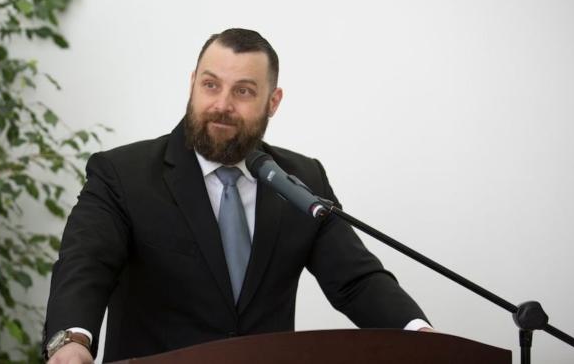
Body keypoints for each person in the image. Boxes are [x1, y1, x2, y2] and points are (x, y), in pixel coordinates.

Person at [43, 28, 431, 364]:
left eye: (243, 91)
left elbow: (356, 280)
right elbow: (86, 263)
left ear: (272, 102)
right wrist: (71, 341)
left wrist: (421, 337)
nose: (222, 105)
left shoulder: (300, 180)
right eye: (210, 85)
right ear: (193, 82)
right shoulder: (123, 174)